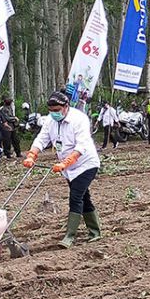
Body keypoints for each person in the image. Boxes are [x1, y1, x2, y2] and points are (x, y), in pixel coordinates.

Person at [23, 92, 102, 248]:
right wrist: (32, 155)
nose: (54, 113)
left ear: (66, 107)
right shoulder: (51, 121)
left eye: (57, 109)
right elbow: (42, 138)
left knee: (76, 196)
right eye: (51, 110)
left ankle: (69, 236)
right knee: (84, 197)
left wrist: (66, 162)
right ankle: (95, 232)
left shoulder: (79, 120)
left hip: (86, 164)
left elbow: (81, 146)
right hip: (68, 168)